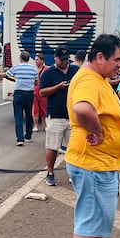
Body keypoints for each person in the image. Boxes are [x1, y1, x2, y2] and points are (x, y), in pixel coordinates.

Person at [64, 34, 120, 238]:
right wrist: (97, 131)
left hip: (103, 163)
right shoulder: (87, 79)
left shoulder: (97, 78)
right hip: (93, 163)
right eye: (116, 60)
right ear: (99, 57)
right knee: (91, 219)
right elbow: (82, 109)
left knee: (101, 217)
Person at [39, 44, 80, 186]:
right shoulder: (49, 73)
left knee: (74, 147)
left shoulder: (75, 70)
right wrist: (58, 87)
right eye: (61, 59)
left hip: (73, 115)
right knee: (52, 146)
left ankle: (73, 173)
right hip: (56, 115)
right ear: (55, 58)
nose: (64, 62)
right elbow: (42, 92)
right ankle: (50, 172)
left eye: (66, 59)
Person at [4, 51, 39, 146]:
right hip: (29, 94)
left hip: (19, 93)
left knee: (18, 116)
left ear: (20, 58)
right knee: (28, 115)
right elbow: (36, 82)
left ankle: (20, 139)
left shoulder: (16, 67)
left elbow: (6, 75)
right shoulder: (34, 69)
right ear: (28, 59)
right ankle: (28, 136)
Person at [32, 52, 48, 132]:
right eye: (35, 60)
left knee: (43, 108)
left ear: (42, 60)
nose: (36, 61)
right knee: (35, 108)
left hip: (43, 90)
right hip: (34, 90)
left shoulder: (47, 69)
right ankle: (35, 125)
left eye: (37, 60)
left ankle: (44, 125)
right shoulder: (33, 69)